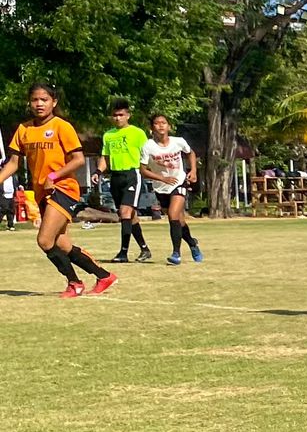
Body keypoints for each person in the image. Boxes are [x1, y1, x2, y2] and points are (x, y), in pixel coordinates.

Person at [0, 83, 116, 297]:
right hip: (42, 194)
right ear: (29, 103)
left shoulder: (62, 126)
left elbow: (78, 159)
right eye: (35, 100)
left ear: (54, 102)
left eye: (44, 99)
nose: (39, 104)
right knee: (62, 244)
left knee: (44, 240)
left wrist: (54, 176)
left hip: (64, 189)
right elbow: (13, 163)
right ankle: (104, 275)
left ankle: (75, 283)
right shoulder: (24, 129)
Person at [139, 114, 203, 265]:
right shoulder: (148, 146)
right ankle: (192, 244)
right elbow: (143, 170)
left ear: (169, 126)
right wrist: (162, 179)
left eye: (164, 123)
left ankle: (176, 254)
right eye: (156, 123)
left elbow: (190, 153)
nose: (161, 125)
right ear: (151, 128)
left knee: (173, 215)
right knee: (179, 221)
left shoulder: (178, 141)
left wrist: (193, 170)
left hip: (179, 182)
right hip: (161, 187)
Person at [97, 99, 153, 263]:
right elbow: (105, 157)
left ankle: (123, 252)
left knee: (125, 213)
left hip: (132, 174)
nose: (118, 118)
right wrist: (98, 171)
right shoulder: (108, 135)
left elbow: (148, 153)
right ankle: (144, 249)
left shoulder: (137, 133)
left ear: (128, 115)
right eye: (115, 115)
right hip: (115, 176)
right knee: (130, 216)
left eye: (121, 115)